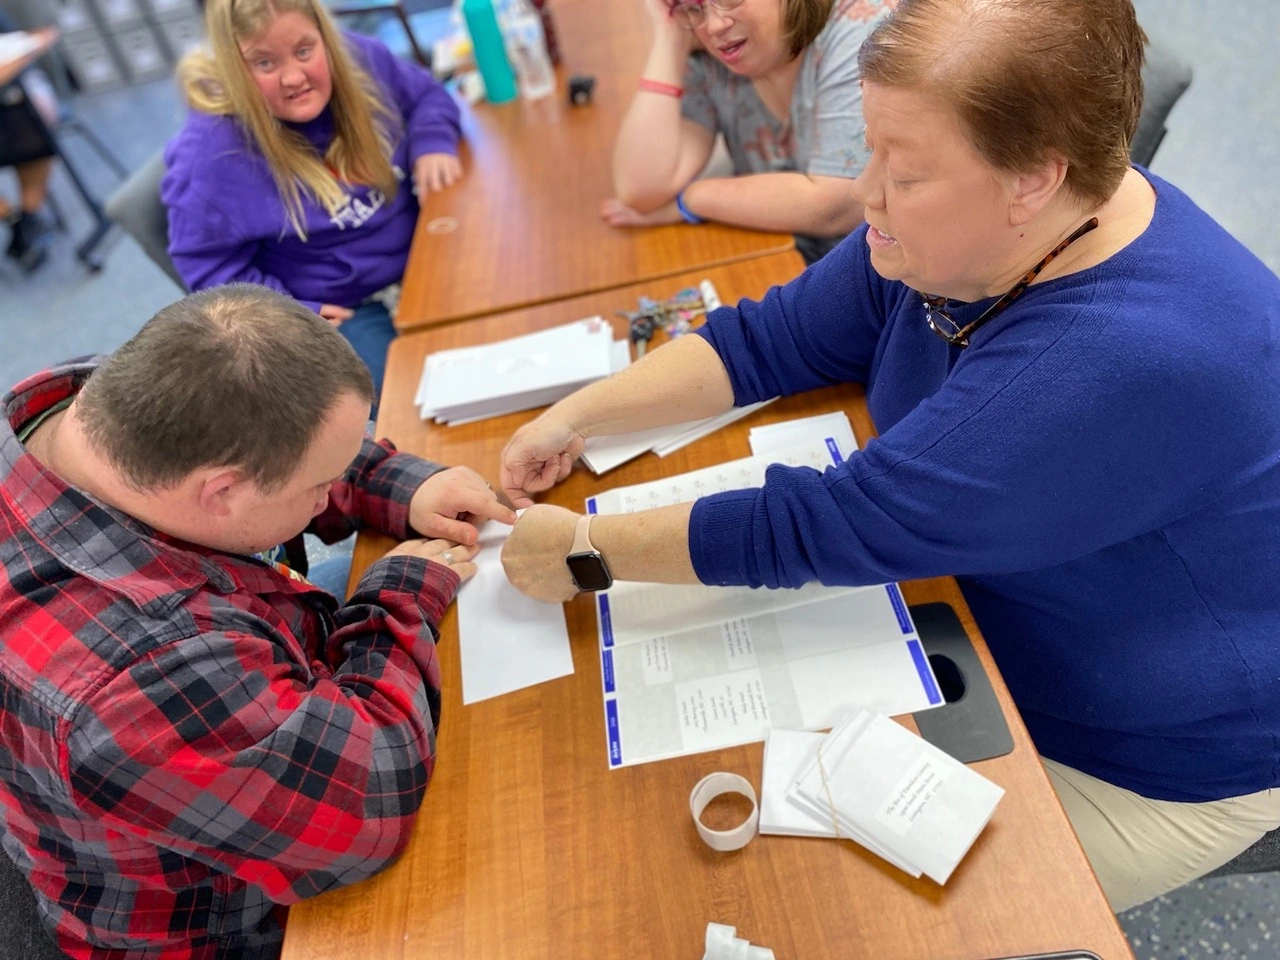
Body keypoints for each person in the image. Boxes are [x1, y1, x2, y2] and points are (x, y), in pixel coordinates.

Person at [500, 0, 1280, 912]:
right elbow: (773, 337)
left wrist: (585, 552)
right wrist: (576, 417)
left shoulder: (1115, 357)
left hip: (1149, 750)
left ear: (1033, 178)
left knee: (834, 912)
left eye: (902, 173)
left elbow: (831, 523)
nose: (865, 194)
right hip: (992, 614)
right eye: (868, 152)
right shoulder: (1006, 227)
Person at [0, 284, 514, 958]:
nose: (329, 495)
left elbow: (269, 439)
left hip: (230, 692)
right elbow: (370, 800)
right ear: (221, 492)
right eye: (320, 485)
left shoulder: (97, 408)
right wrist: (401, 593)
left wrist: (398, 483)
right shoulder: (134, 678)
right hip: (232, 923)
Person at [162, 0, 463, 397]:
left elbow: (426, 96)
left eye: (304, 51)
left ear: (325, 38)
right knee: (408, 400)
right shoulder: (209, 155)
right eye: (264, 63)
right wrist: (291, 313)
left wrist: (432, 141)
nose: (293, 77)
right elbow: (207, 267)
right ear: (234, 67)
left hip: (428, 251)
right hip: (347, 308)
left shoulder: (360, 58)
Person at [603, 0, 891, 264]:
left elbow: (837, 206)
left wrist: (690, 199)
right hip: (791, 261)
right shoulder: (711, 61)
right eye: (694, 7)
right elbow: (640, 189)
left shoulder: (862, 25)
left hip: (879, 280)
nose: (714, 25)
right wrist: (670, 37)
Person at [0, 11, 59, 273]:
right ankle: (16, 220)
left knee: (30, 131)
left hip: (16, 99)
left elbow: (40, 36)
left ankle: (28, 216)